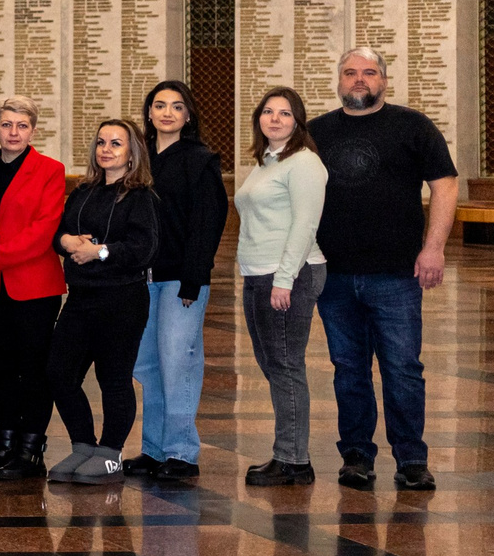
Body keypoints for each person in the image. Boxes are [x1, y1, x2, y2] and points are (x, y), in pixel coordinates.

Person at [309, 47, 456, 491]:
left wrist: (434, 248)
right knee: (347, 368)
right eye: (351, 72)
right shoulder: (315, 133)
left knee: (403, 368)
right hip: (333, 276)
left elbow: (445, 187)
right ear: (338, 80)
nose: (359, 80)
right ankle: (356, 455)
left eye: (369, 73)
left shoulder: (413, 127)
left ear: (384, 81)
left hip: (397, 274)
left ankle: (412, 459)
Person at [122, 79, 227, 483]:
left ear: (188, 115)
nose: (167, 112)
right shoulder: (138, 158)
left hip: (179, 281)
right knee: (146, 365)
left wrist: (193, 279)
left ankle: (181, 452)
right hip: (141, 279)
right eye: (160, 105)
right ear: (148, 113)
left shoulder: (200, 159)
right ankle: (153, 449)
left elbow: (208, 222)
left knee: (176, 363)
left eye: (177, 106)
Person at [44, 119, 160, 484]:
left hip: (122, 299)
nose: (106, 149)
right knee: (59, 373)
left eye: (116, 143)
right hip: (80, 298)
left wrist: (101, 252)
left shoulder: (141, 196)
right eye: (101, 142)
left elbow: (145, 248)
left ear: (132, 153)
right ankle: (83, 446)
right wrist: (67, 243)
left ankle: (110, 453)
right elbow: (59, 232)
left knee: (113, 378)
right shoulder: (83, 191)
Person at [235, 87, 329, 487]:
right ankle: (288, 452)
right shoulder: (265, 163)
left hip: (290, 274)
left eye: (285, 113)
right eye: (268, 112)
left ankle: (293, 460)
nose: (275, 119)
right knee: (273, 364)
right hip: (259, 272)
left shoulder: (304, 163)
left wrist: (285, 280)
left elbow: (305, 225)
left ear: (298, 121)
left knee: (287, 366)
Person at [0, 98, 67, 483]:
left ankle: (31, 450)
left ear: (33, 129)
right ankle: (5, 445)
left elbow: (42, 232)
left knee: (33, 369)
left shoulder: (50, 170)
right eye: (6, 124)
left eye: (22, 125)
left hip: (33, 285)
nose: (14, 132)